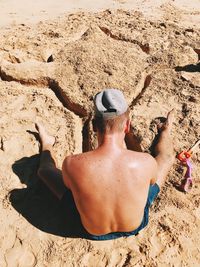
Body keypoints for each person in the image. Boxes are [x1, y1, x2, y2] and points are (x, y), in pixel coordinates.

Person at [36, 89, 174, 240]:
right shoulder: (146, 162)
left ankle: (47, 143)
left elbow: (58, 180)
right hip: (135, 225)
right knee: (165, 159)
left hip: (90, 230)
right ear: (127, 126)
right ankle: (166, 130)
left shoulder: (71, 163)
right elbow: (155, 176)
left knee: (45, 171)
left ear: (94, 126)